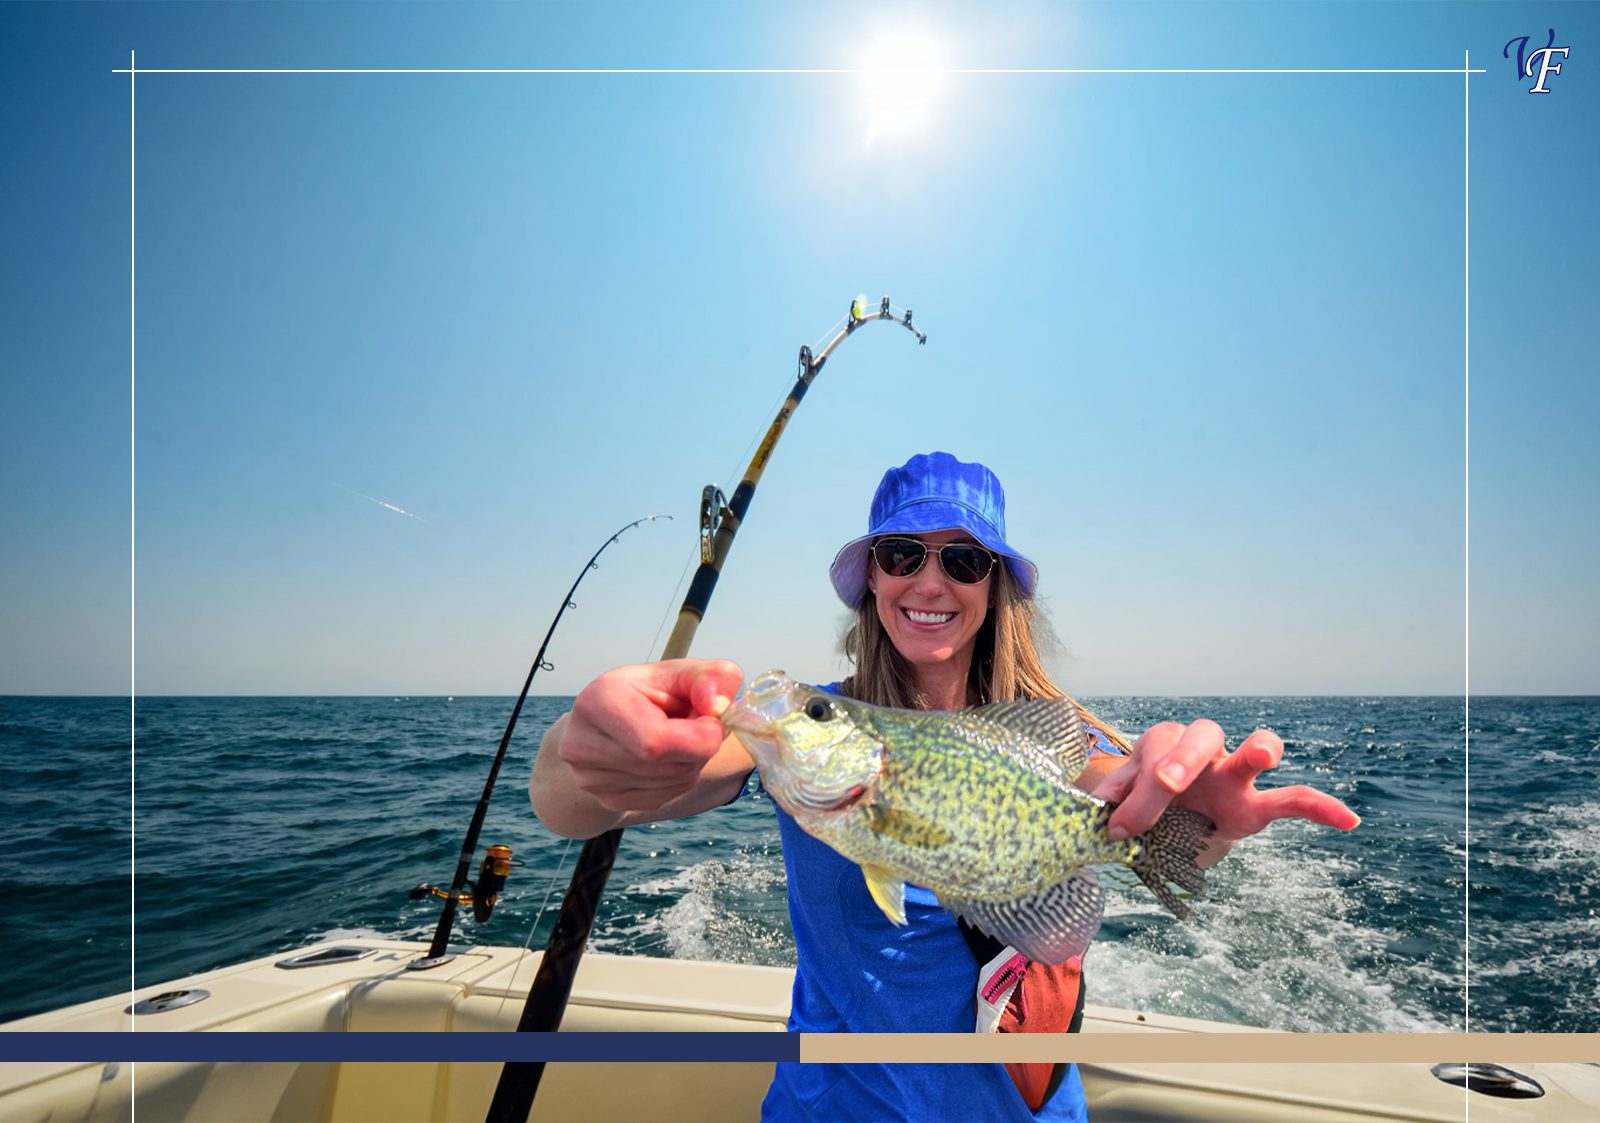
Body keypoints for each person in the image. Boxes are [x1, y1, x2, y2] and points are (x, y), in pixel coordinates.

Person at [531, 451, 1359, 1123]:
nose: (930, 582)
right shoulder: (809, 734)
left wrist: (1193, 806)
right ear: (871, 580)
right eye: (902, 554)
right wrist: (590, 748)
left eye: (962, 559)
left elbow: (1121, 790)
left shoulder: (1056, 732)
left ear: (995, 584)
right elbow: (581, 801)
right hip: (832, 1109)